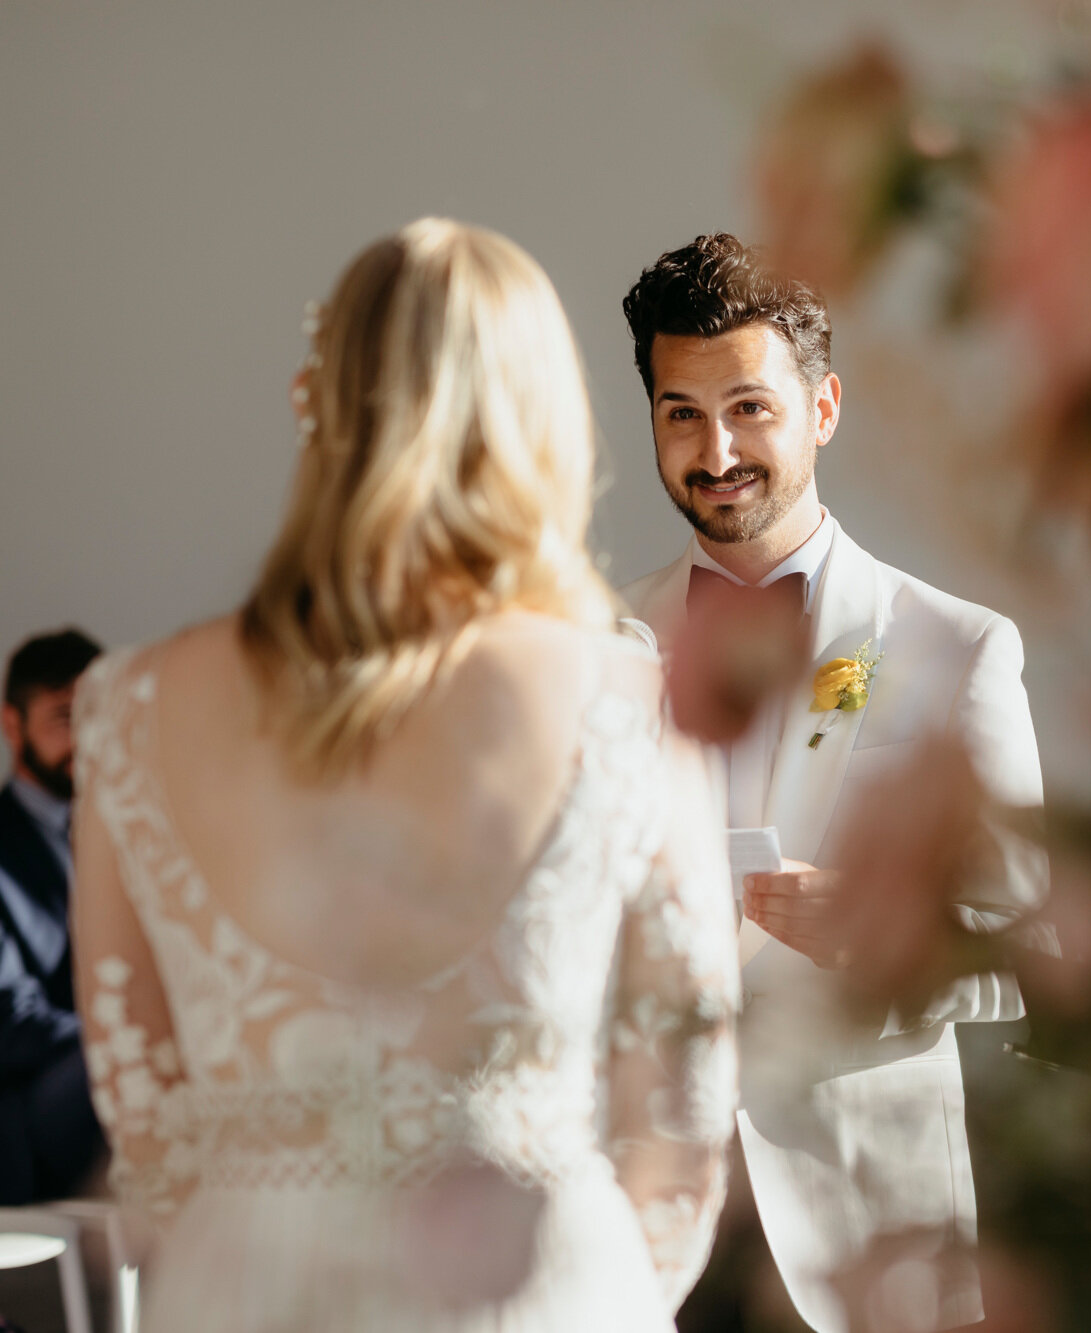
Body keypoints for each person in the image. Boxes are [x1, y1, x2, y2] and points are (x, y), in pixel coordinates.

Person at [68, 219, 739, 1332]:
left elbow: (146, 1118)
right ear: (545, 421)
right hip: (536, 1288)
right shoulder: (629, 698)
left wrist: (259, 1246)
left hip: (250, 1297)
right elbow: (680, 1111)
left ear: (320, 405)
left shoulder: (128, 706)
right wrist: (598, 1290)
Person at [621, 234, 1050, 1333]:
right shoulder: (593, 645)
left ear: (822, 408)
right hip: (633, 1226)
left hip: (864, 1232)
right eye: (681, 413)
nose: (716, 449)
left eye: (749, 408)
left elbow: (1025, 941)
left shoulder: (957, 648)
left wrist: (877, 939)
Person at [0, 628, 105, 1204]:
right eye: (65, 718)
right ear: (11, 724)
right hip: (29, 1107)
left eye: (97, 715)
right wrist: (123, 1036)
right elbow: (11, 1021)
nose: (86, 737)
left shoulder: (125, 829)